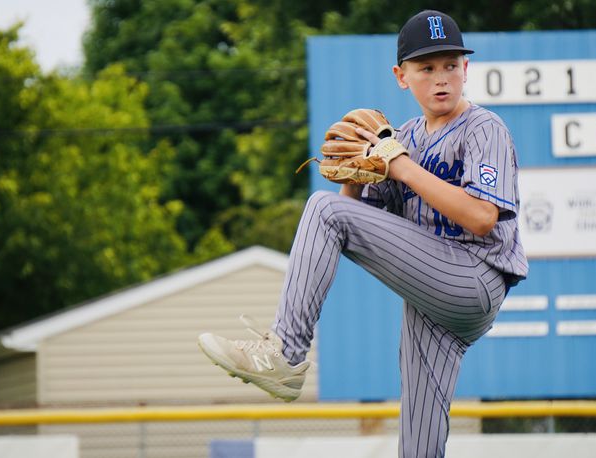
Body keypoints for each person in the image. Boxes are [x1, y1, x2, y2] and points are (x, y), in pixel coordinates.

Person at [198, 9, 527, 457]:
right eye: (426, 68)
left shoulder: (483, 128)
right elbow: (349, 221)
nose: (441, 78)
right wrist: (355, 173)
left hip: (474, 277)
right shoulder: (401, 137)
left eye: (450, 64)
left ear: (466, 69)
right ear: (401, 77)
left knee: (319, 206)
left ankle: (285, 353)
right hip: (432, 296)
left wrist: (400, 166)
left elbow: (483, 217)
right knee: (419, 436)